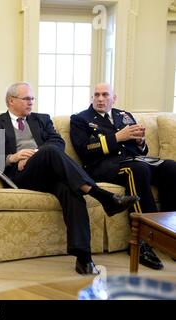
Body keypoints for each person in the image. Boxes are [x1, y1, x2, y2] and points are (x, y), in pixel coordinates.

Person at [0, 82, 139, 275]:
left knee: (72, 191)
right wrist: (12, 158)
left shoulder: (41, 119)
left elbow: (58, 142)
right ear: (11, 101)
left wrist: (35, 155)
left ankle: (84, 258)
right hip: (20, 175)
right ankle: (104, 197)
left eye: (33, 98)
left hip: (49, 171)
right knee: (48, 151)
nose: (31, 102)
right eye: (27, 99)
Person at [70, 82, 176, 270]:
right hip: (102, 166)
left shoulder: (124, 116)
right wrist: (118, 137)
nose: (100, 99)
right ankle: (141, 241)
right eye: (96, 95)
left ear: (114, 98)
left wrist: (141, 142)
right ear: (91, 97)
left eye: (104, 95)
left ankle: (169, 234)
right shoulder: (80, 119)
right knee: (137, 170)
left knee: (171, 167)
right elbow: (85, 149)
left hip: (134, 159)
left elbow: (140, 149)